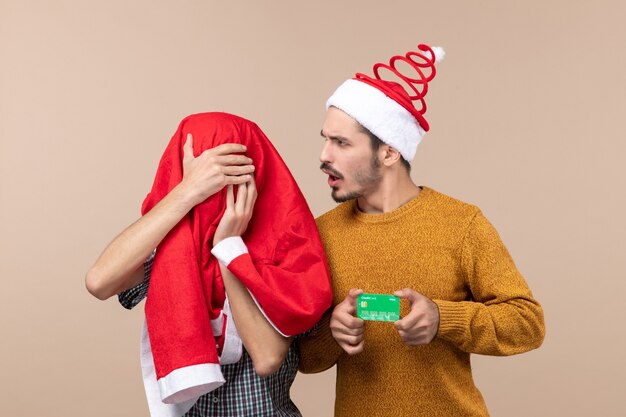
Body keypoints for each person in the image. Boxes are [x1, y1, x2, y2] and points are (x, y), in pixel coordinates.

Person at [298, 44, 546, 416]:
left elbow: (527, 324)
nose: (324, 156)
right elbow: (306, 361)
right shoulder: (322, 234)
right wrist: (332, 332)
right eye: (325, 139)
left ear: (389, 152)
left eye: (341, 142)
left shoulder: (461, 224)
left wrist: (444, 318)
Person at [86, 112, 332, 417]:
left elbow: (268, 357)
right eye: (208, 178)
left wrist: (227, 249)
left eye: (228, 176)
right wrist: (185, 193)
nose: (216, 193)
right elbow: (99, 281)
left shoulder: (284, 248)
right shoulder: (174, 251)